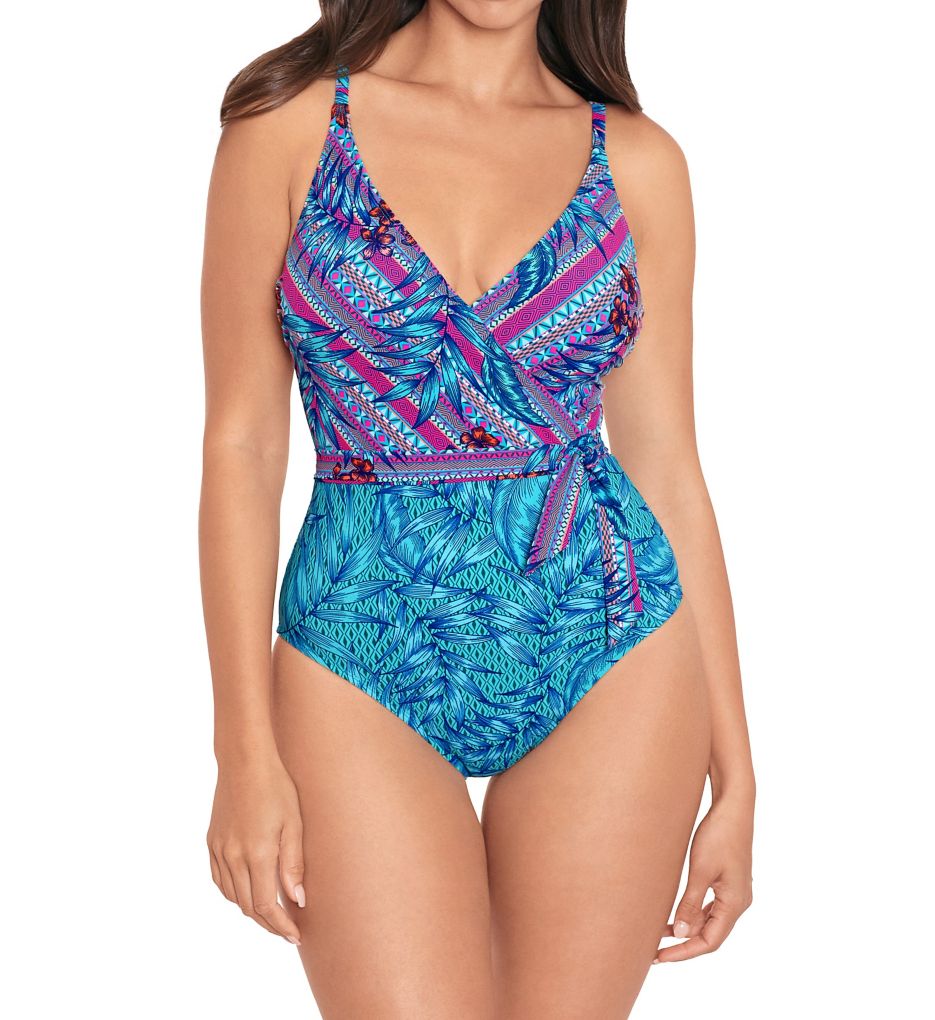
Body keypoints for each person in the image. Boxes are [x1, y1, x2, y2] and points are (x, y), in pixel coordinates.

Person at [199, 1, 755, 1015]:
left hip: (610, 641)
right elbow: (242, 447)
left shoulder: (637, 162)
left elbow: (667, 465)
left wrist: (739, 771)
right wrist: (241, 750)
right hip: (357, 647)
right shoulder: (289, 128)